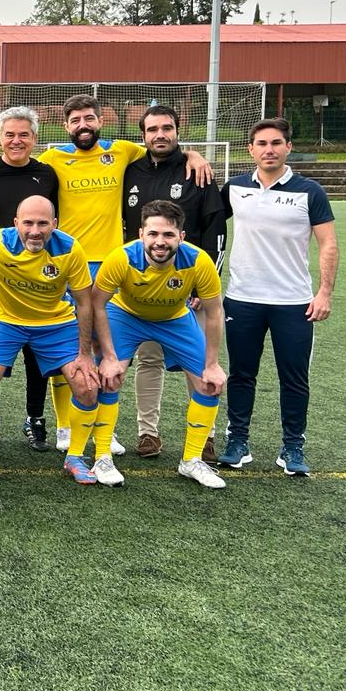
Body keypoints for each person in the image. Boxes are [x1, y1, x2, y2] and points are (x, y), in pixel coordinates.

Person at [17, 94, 210, 460]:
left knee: (109, 353)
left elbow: (162, 149)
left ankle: (105, 430)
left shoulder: (122, 151)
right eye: (75, 120)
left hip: (111, 265)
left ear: (101, 120)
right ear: (65, 126)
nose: (83, 125)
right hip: (68, 263)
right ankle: (66, 426)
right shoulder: (55, 158)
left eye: (89, 118)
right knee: (71, 346)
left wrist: (194, 155)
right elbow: (21, 162)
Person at [0, 196, 105, 486]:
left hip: (56, 324)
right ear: (16, 224)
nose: (35, 231)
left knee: (86, 385)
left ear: (54, 225)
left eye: (43, 223)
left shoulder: (70, 248)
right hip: (6, 321)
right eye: (28, 223)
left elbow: (85, 304)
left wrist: (85, 354)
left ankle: (75, 456)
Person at [218, 118, 338, 477]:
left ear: (288, 147)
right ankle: (237, 441)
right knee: (241, 374)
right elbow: (206, 224)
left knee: (295, 378)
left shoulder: (310, 191)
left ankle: (292, 446)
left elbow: (328, 243)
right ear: (250, 150)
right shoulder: (234, 188)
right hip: (242, 299)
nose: (269, 149)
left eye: (276, 143)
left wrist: (324, 292)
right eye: (262, 143)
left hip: (293, 302)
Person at [92, 200, 229, 490]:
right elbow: (97, 304)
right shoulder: (121, 258)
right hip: (126, 315)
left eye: (168, 235)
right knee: (110, 377)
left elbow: (215, 311)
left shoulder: (198, 261)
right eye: (153, 234)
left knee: (209, 383)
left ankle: (191, 460)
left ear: (181, 236)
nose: (160, 242)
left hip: (174, 318)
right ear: (141, 233)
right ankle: (102, 456)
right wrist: (109, 356)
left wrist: (213, 363)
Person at [120, 105, 227, 460]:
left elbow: (216, 231)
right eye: (152, 129)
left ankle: (205, 436)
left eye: (167, 128)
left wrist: (201, 284)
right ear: (143, 135)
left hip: (188, 287)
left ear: (178, 131)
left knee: (197, 363)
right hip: (145, 287)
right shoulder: (130, 170)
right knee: (149, 361)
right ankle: (147, 433)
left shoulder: (197, 171)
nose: (160, 134)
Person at [0, 106, 61, 453]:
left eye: (23, 134)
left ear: (34, 138)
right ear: (0, 138)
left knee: (36, 350)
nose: (16, 140)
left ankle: (35, 418)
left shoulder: (48, 174)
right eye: (9, 134)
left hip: (40, 275)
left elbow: (56, 222)